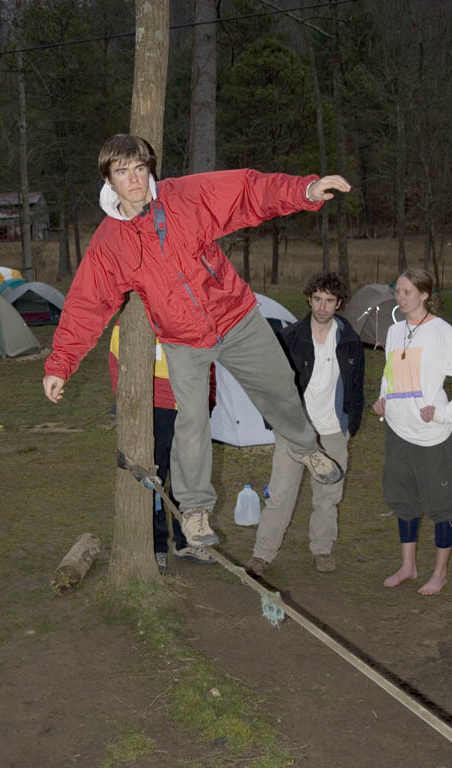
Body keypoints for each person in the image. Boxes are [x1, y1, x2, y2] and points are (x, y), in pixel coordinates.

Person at [43, 133, 351, 550]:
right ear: (108, 180)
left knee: (279, 385)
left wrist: (304, 190)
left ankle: (305, 448)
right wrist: (60, 364)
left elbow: (247, 190)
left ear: (148, 168)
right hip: (183, 340)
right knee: (191, 420)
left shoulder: (183, 198)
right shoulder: (109, 244)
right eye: (122, 172)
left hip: (236, 316)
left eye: (139, 168)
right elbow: (86, 305)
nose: (134, 179)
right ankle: (194, 511)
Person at [247, 272, 364, 576]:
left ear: (338, 303)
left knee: (328, 497)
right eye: (317, 299)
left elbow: (357, 386)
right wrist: (276, 425)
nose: (322, 306)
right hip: (294, 432)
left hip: (333, 431)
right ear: (309, 299)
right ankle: (262, 554)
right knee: (280, 495)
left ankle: (322, 548)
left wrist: (350, 425)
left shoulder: (350, 341)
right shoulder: (290, 339)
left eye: (329, 300)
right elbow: (270, 386)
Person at [109, 321, 217, 573]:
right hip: (156, 409)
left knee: (190, 477)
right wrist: (128, 410)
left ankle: (186, 541)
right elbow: (117, 368)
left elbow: (207, 364)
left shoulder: (186, 318)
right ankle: (157, 546)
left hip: (190, 408)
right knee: (156, 478)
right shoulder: (129, 325)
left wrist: (209, 400)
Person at [373, 269, 452, 596]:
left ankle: (440, 572)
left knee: (440, 503)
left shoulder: (441, 332)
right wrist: (382, 398)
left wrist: (444, 413)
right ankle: (408, 566)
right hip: (397, 429)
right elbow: (391, 372)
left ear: (424, 295)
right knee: (403, 497)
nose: (400, 297)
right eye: (398, 291)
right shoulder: (394, 331)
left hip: (430, 434)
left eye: (406, 292)